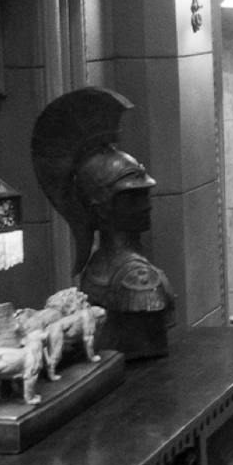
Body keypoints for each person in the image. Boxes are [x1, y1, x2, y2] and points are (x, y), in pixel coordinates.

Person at [32, 88, 175, 360]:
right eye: (132, 197)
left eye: (144, 194)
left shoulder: (97, 265)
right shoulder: (139, 279)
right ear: (101, 207)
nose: (146, 204)